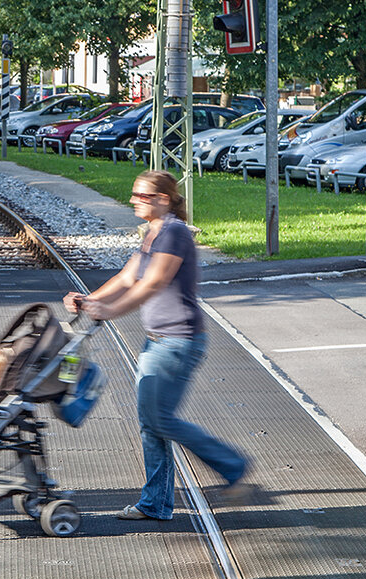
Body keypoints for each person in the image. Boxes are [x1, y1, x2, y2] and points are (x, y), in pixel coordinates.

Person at [63, 170, 251, 520]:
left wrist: (109, 311)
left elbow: (152, 284)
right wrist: (90, 300)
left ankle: (233, 465)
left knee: (160, 419)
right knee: (152, 423)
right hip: (158, 342)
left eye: (141, 195)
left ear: (162, 199)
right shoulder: (153, 233)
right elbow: (127, 277)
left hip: (178, 341)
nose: (133, 199)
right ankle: (156, 504)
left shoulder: (175, 233)